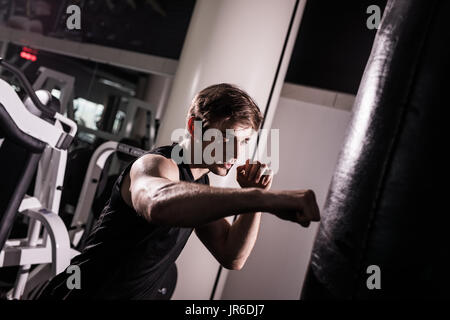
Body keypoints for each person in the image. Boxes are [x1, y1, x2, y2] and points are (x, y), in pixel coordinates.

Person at [37, 83, 320, 300]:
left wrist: (254, 198)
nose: (236, 152)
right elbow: (157, 204)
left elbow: (232, 256)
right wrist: (264, 199)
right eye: (227, 138)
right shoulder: (156, 164)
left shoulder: (200, 187)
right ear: (193, 126)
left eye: (244, 142)